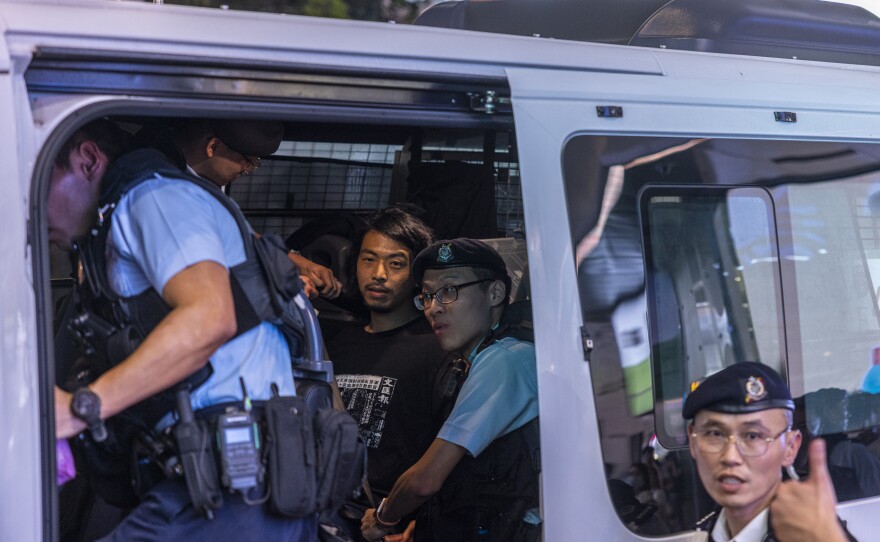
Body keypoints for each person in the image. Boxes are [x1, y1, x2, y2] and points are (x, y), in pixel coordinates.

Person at [51, 118, 316, 541]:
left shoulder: (152, 196)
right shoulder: (126, 216)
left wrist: (84, 407)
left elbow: (209, 317)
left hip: (233, 481)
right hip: (210, 480)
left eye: (38, 182)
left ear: (86, 160)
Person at [360, 238, 540, 542]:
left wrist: (382, 517)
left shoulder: (505, 360)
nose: (433, 308)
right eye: (428, 295)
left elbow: (425, 481)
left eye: (449, 291)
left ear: (495, 292)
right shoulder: (479, 360)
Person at [328, 208, 448, 531]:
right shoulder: (339, 344)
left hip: (389, 525)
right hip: (328, 516)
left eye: (396, 264)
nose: (379, 273)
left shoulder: (437, 350)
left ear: (419, 275)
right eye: (368, 260)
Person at [149, 118, 342, 299]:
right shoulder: (161, 187)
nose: (248, 170)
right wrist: (275, 284)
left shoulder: (198, 182)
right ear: (213, 146)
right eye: (248, 161)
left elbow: (233, 231)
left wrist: (298, 263)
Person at [683, 362, 854, 542]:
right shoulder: (700, 537)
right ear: (693, 442)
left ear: (790, 448)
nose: (730, 457)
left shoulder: (815, 536)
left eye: (753, 436)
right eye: (715, 434)